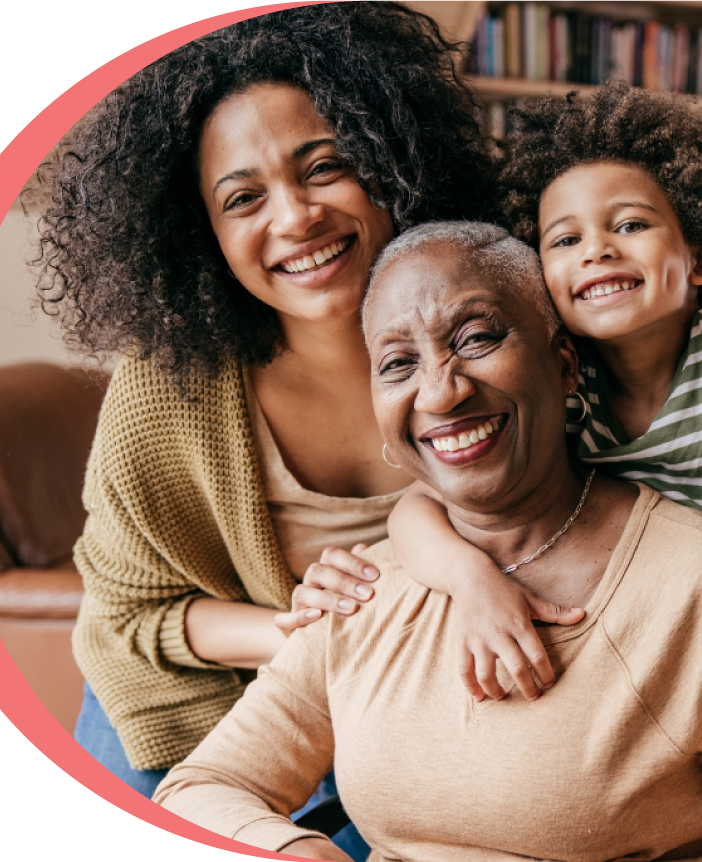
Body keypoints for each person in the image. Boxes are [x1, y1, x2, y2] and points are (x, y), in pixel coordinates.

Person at [153, 222, 702, 861]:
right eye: (397, 364)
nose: (439, 392)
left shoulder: (697, 581)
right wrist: (294, 849)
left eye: (475, 338)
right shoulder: (363, 586)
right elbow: (203, 787)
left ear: (562, 366)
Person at [28, 3, 507, 851]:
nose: (294, 219)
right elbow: (132, 616)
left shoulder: (504, 331)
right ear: (201, 234)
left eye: (325, 167)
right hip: (199, 707)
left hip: (405, 708)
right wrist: (293, 629)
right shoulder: (166, 393)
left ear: (396, 164)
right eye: (243, 198)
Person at [386, 83, 702, 742]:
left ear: (701, 256)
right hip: (633, 689)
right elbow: (417, 505)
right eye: (564, 238)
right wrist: (470, 580)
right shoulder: (554, 386)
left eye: (630, 224)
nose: (596, 250)